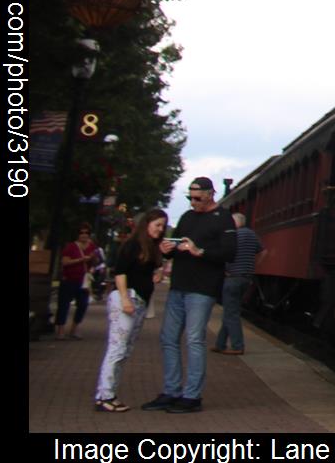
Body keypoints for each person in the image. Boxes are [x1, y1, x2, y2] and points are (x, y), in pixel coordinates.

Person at [139, 177, 234, 415]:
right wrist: (166, 250)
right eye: (190, 198)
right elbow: (173, 244)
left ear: (210, 194)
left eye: (197, 198)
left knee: (194, 340)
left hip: (202, 289)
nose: (193, 202)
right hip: (178, 286)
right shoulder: (187, 217)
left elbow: (229, 252)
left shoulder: (223, 218)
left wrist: (198, 251)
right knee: (168, 338)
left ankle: (192, 396)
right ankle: (171, 391)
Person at [93, 210, 168, 412]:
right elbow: (120, 273)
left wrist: (158, 272)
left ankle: (110, 394)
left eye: (162, 226)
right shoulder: (132, 245)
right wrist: (125, 299)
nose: (160, 229)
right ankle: (104, 395)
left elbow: (151, 270)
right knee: (117, 349)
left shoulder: (150, 248)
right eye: (157, 225)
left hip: (140, 302)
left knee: (124, 350)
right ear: (147, 224)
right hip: (127, 299)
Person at [212, 212, 263, 354]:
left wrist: (225, 269)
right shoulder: (252, 235)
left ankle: (237, 346)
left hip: (233, 277)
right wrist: (253, 266)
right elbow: (263, 252)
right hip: (246, 278)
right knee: (230, 311)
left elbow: (225, 254)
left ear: (234, 223)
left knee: (231, 313)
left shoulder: (233, 235)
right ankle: (220, 344)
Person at [55, 227, 102, 340]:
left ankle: (74, 329)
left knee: (83, 305)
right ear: (77, 235)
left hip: (83, 281)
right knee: (64, 305)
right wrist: (81, 259)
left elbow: (96, 262)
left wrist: (93, 259)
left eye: (87, 233)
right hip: (69, 280)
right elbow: (65, 262)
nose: (84, 235)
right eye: (81, 233)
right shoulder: (71, 246)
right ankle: (61, 330)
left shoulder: (92, 247)